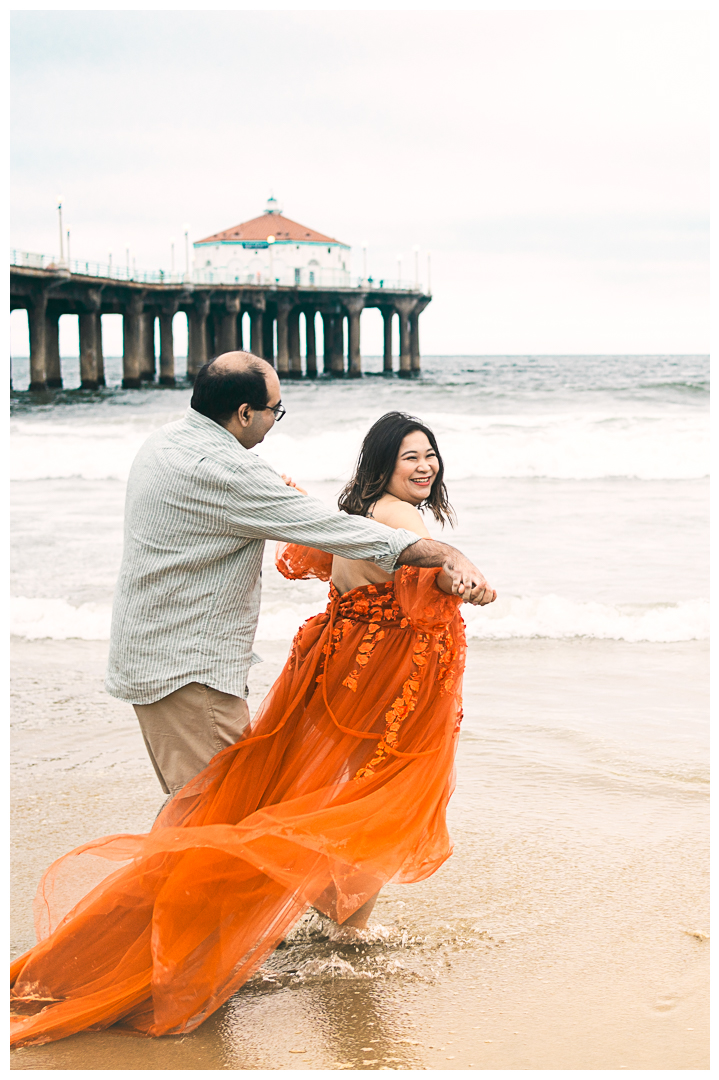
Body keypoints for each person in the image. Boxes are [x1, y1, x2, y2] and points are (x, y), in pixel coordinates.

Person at [10, 406, 496, 1049]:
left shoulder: (353, 516)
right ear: (383, 465)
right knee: (376, 810)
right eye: (410, 456)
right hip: (385, 691)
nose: (425, 466)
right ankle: (329, 928)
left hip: (332, 676)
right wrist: (463, 575)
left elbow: (332, 561)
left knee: (320, 799)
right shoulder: (399, 518)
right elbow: (431, 566)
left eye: (430, 454)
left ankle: (328, 919)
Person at [105, 352, 493, 797]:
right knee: (219, 812)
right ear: (245, 412)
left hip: (150, 656)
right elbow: (343, 533)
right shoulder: (232, 472)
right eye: (275, 410)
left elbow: (321, 536)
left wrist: (288, 502)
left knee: (196, 804)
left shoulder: (166, 442)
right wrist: (450, 556)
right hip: (189, 671)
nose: (276, 421)